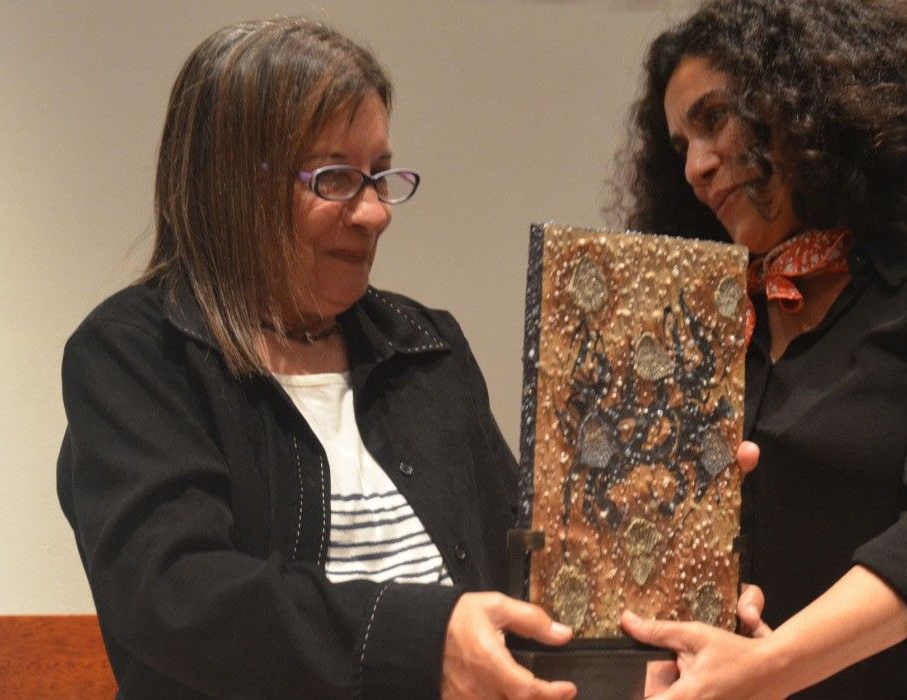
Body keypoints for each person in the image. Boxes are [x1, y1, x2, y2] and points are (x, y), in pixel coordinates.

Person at [55, 18, 584, 699]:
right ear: (232, 185)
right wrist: (422, 642)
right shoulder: (135, 354)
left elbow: (525, 558)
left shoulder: (426, 346)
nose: (375, 213)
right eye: (336, 179)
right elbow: (177, 593)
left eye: (380, 176)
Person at [614, 1, 907, 698]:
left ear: (810, 101)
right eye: (680, 147)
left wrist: (766, 669)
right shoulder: (711, 327)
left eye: (715, 118)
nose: (696, 167)